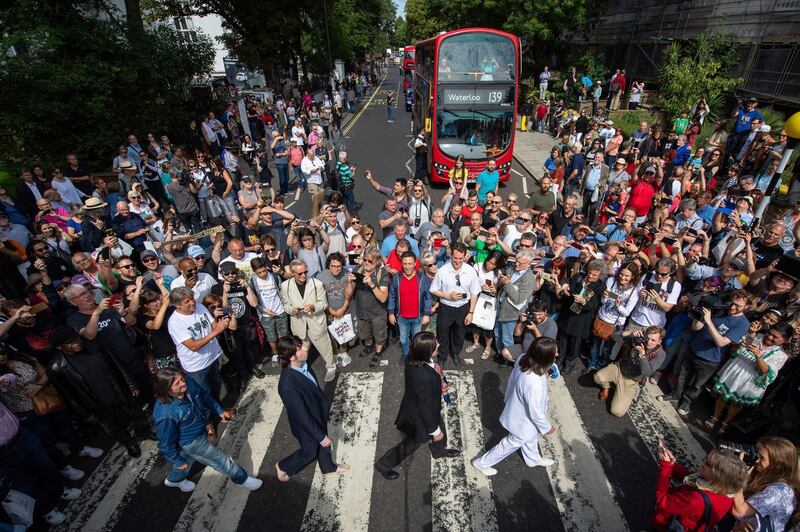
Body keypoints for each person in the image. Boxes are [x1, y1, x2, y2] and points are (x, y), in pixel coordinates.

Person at [46, 326, 153, 458]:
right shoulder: (56, 368)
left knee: (136, 412)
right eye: (71, 343)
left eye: (76, 338)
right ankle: (130, 443)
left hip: (118, 390)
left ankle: (144, 432)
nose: (77, 342)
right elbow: (69, 396)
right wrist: (85, 414)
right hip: (96, 403)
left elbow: (116, 364)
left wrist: (131, 384)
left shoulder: (94, 346)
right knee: (113, 427)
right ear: (59, 347)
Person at [152, 368, 262, 493]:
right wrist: (176, 460)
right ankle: (242, 479)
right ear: (166, 389)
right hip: (192, 442)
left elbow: (203, 395)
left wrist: (219, 410)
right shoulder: (165, 414)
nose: (183, 383)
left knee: (185, 460)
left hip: (199, 430)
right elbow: (165, 444)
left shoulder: (188, 381)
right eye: (177, 383)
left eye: (182, 379)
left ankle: (174, 479)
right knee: (221, 460)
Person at [374, 332, 459, 480]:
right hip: (420, 416)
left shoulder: (414, 360)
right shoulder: (424, 376)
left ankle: (438, 450)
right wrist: (434, 431)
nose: (438, 344)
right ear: (426, 351)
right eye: (435, 344)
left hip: (427, 407)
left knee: (439, 425)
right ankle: (384, 464)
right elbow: (424, 407)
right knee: (413, 442)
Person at [472, 337, 558, 476]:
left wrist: (508, 398)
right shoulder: (534, 382)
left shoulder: (524, 358)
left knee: (530, 438)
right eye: (555, 353)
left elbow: (512, 380)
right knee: (510, 443)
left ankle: (533, 459)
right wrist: (547, 427)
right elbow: (535, 412)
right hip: (524, 420)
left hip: (518, 412)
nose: (557, 355)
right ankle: (482, 463)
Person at [274, 335, 350, 482]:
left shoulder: (303, 364)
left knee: (323, 442)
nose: (306, 348)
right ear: (291, 357)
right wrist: (321, 437)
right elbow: (302, 415)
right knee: (309, 451)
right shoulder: (287, 386)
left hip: (318, 412)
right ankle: (283, 466)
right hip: (306, 425)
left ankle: (327, 467)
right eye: (300, 348)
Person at [706, 321, 792, 434]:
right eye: (769, 333)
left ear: (785, 340)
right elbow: (733, 351)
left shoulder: (781, 355)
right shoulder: (756, 336)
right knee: (723, 395)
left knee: (737, 403)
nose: (769, 337)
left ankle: (726, 422)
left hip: (750, 381)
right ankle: (715, 416)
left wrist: (758, 355)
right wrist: (740, 345)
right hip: (736, 369)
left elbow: (766, 372)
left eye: (775, 337)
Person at [652, 443, 748, 531]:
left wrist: (666, 467)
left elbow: (662, 502)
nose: (702, 461)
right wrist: (672, 464)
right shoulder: (725, 492)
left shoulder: (695, 500)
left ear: (717, 475)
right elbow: (688, 477)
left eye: (707, 463)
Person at [280, 259, 338, 383]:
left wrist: (313, 307)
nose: (303, 275)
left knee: (325, 347)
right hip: (299, 324)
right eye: (299, 273)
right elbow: (285, 305)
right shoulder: (286, 286)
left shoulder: (316, 284)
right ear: (292, 273)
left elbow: (323, 303)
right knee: (301, 350)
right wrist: (292, 310)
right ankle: (302, 370)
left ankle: (331, 366)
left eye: (305, 272)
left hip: (316, 322)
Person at [167, 286, 229, 400]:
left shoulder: (200, 307)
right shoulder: (175, 322)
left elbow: (214, 326)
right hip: (197, 366)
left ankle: (219, 410)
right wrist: (217, 331)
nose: (192, 302)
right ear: (177, 305)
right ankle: (210, 416)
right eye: (187, 301)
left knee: (216, 386)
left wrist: (222, 324)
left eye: (192, 298)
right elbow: (193, 346)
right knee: (203, 394)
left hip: (212, 357)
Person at [731, 436, 800, 532]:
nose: (757, 460)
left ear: (777, 465)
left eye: (762, 458)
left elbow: (739, 511)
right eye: (756, 453)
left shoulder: (779, 492)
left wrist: (737, 475)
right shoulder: (767, 475)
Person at [594, 326, 666, 417]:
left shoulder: (660, 354)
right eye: (647, 338)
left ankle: (618, 390)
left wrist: (642, 356)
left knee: (617, 412)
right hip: (620, 369)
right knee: (597, 377)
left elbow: (647, 372)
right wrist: (629, 333)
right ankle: (607, 386)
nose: (648, 342)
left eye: (653, 340)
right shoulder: (638, 340)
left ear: (659, 341)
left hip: (632, 380)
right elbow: (613, 336)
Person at [429, 243, 481, 367]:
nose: (457, 261)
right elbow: (433, 289)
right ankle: (442, 356)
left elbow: (474, 293)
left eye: (460, 259)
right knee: (443, 333)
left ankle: (455, 353)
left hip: (463, 308)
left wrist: (471, 312)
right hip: (446, 307)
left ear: (465, 257)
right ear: (451, 255)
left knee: (459, 334)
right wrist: (447, 296)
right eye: (455, 258)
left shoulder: (470, 271)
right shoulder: (442, 271)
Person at [387, 252, 432, 365]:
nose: (407, 267)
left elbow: (428, 297)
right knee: (403, 339)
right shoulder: (397, 278)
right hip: (402, 317)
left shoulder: (422, 277)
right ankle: (407, 355)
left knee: (416, 340)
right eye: (404, 264)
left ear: (415, 263)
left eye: (410, 264)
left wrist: (426, 313)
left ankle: (415, 356)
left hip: (417, 316)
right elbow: (392, 296)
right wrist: (391, 313)